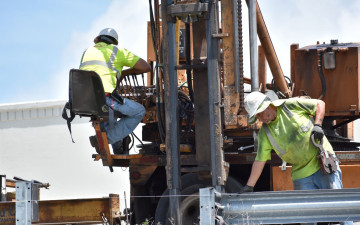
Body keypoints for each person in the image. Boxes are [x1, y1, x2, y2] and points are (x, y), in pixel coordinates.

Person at [240, 91, 352, 225]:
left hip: (322, 164)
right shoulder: (265, 132)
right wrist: (249, 186)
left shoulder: (290, 105)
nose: (260, 118)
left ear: (267, 106)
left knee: (340, 212)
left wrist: (317, 125)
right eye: (256, 116)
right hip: (301, 174)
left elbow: (319, 104)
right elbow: (260, 160)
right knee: (306, 219)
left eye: (259, 113)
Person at [80, 28, 151, 154]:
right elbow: (145, 67)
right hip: (104, 99)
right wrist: (124, 72)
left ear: (97, 40)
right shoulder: (117, 51)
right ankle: (106, 139)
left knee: (111, 116)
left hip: (84, 101)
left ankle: (117, 146)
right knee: (139, 111)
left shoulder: (87, 51)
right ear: (114, 42)